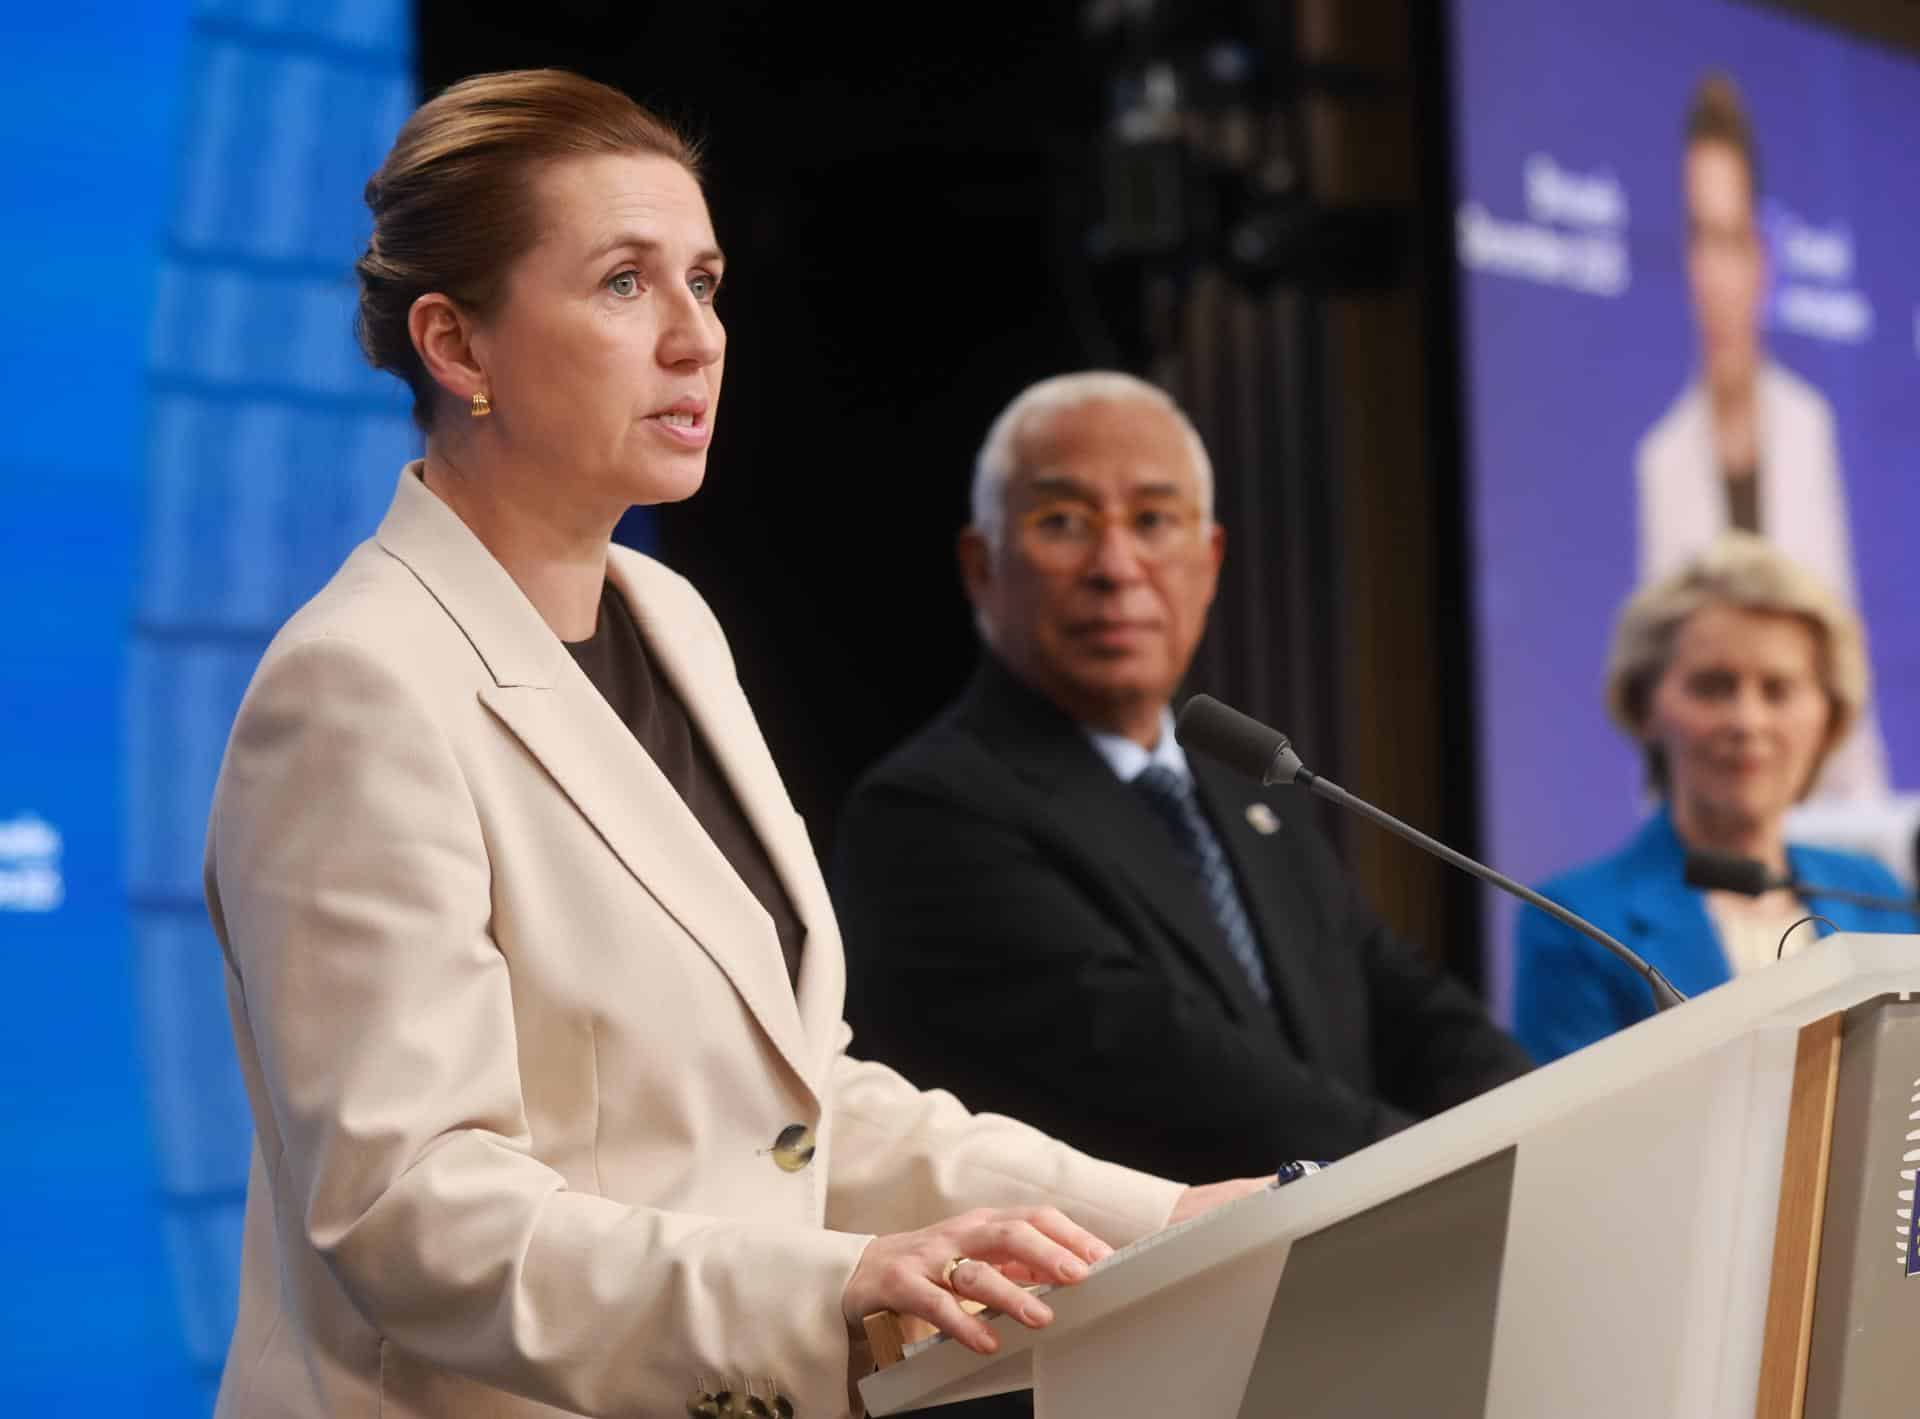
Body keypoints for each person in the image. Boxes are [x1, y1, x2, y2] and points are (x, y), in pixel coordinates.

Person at [202, 72, 1266, 1419]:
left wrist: (1169, 1220)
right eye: (623, 284)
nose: (696, 338)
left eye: (704, 281)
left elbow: (800, 1102)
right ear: (456, 348)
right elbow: (413, 1207)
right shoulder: (357, 686)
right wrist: (830, 1283)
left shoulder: (672, 620)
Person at [832, 371, 1532, 1190]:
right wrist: (1453, 1174)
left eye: (1155, 520)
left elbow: (1406, 1008)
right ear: (982, 564)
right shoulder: (928, 814)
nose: (1116, 565)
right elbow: (1174, 1078)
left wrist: (1544, 1121)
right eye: (1063, 521)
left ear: (1209, 560)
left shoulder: (1248, 787)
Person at [1513, 533, 1912, 1064]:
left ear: (1829, 717)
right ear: (1645, 705)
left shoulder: (1879, 897)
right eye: (1713, 687)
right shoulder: (1576, 920)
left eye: (1778, 689)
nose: (1747, 722)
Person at [1634, 71, 1887, 798]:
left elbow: (1844, 669)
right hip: (1704, 833)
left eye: (1732, 238)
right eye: (1700, 240)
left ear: (1762, 260)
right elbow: (1659, 707)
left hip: (1826, 815)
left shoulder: (1810, 428)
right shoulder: (1661, 460)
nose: (1718, 273)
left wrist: (1875, 843)